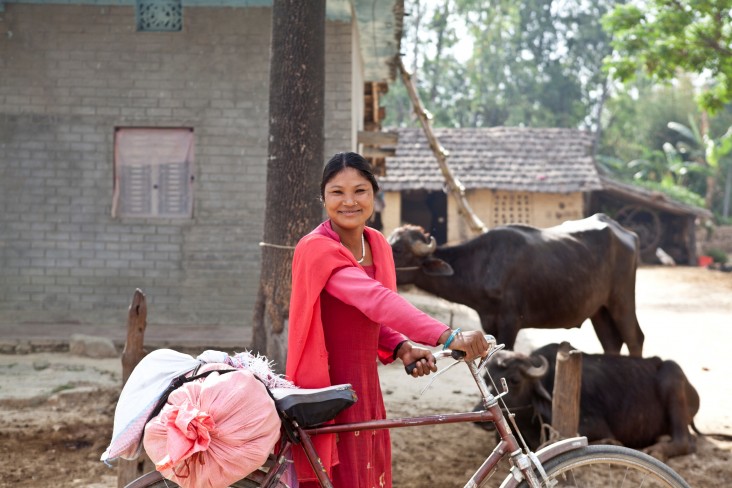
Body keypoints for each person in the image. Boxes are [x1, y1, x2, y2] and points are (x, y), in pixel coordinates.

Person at [286, 152, 490, 488]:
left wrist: (402, 346)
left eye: (360, 191)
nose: (349, 201)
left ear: (374, 196)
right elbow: (375, 300)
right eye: (337, 192)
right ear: (323, 198)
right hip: (326, 389)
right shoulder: (316, 248)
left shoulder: (376, 243)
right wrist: (448, 335)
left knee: (370, 474)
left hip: (365, 388)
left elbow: (375, 317)